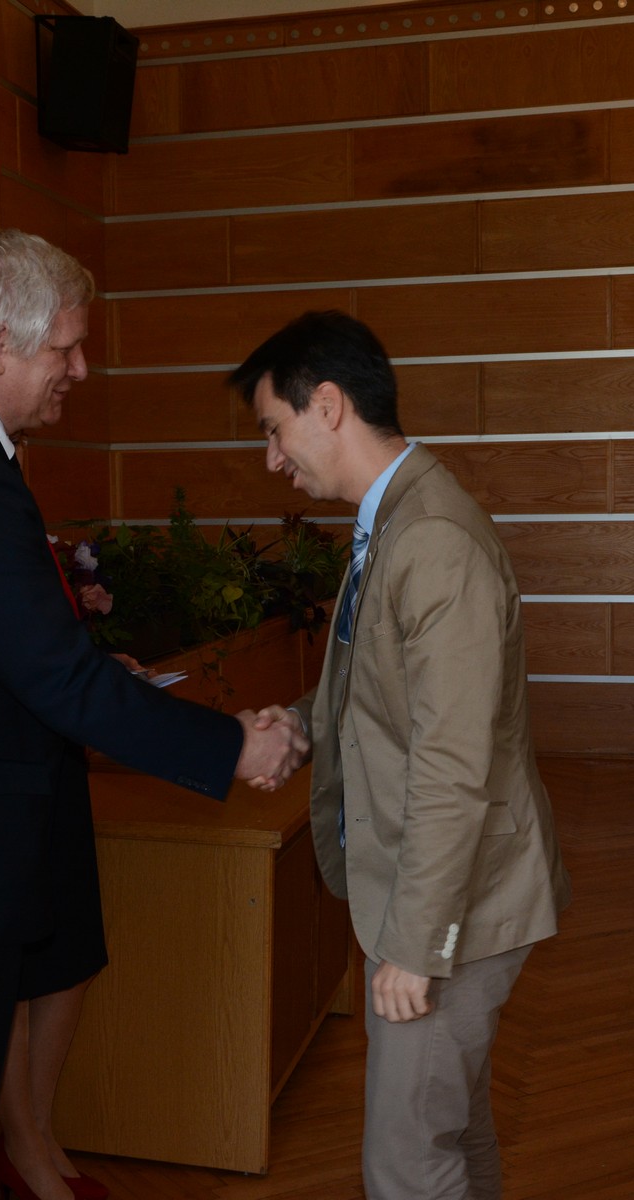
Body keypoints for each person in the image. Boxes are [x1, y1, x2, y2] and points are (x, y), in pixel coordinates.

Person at [0, 228, 306, 1200]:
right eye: (67, 349)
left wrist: (83, 667)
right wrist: (232, 746)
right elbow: (52, 678)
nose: (80, 371)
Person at [232, 310, 571, 1200]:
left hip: (455, 912)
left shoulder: (431, 541)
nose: (272, 458)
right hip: (445, 898)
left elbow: (453, 768)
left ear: (328, 405)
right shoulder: (393, 520)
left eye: (274, 429)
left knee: (407, 1164)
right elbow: (383, 693)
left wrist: (417, 947)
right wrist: (299, 723)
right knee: (451, 1131)